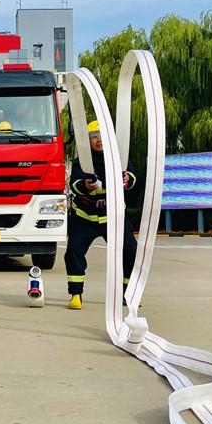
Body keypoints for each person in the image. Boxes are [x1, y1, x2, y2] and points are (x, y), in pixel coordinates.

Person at [63, 120, 137, 310]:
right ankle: (76, 294)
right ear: (87, 141)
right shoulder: (81, 161)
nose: (99, 140)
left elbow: (132, 176)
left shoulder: (118, 158)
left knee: (131, 251)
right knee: (73, 253)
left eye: (102, 136)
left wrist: (128, 179)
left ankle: (127, 293)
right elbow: (74, 184)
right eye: (94, 137)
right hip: (84, 217)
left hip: (114, 216)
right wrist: (85, 185)